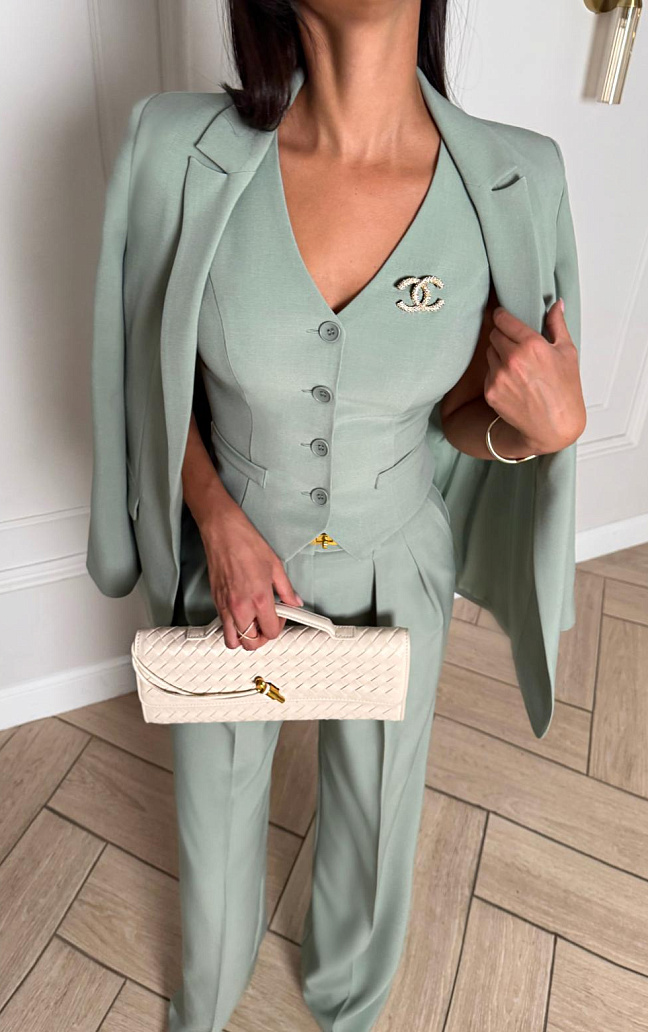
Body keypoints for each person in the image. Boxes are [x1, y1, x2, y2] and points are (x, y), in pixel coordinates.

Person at [86, 1, 586, 1029]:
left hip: (399, 555)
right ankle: (205, 1002)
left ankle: (349, 1004)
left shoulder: (517, 178)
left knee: (378, 811)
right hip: (228, 561)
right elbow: (146, 371)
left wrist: (539, 432)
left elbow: (463, 413)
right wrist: (214, 514)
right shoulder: (174, 147)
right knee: (214, 815)